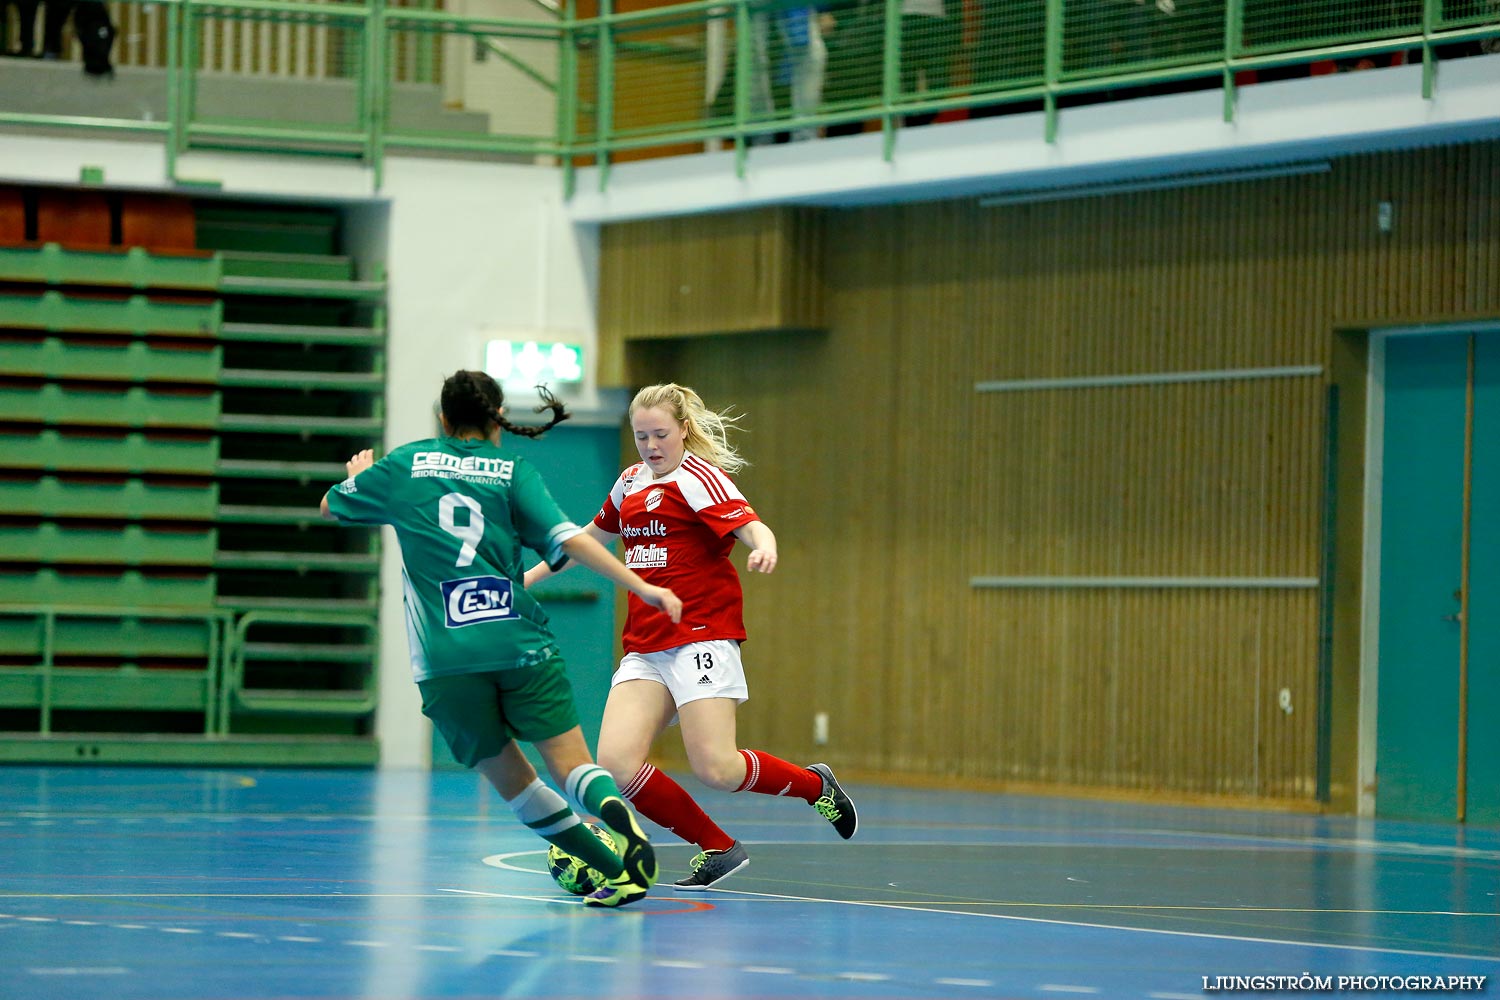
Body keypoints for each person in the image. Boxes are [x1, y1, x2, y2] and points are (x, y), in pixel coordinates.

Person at [321, 370, 684, 908]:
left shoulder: (405, 465)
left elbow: (332, 505)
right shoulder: (511, 471)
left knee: (515, 783)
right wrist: (640, 585)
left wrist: (365, 477)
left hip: (446, 660)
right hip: (519, 642)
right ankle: (622, 827)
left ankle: (612, 866)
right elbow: (569, 541)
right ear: (497, 422)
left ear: (443, 419)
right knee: (573, 765)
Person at [525, 383, 857, 891]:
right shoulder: (629, 483)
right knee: (615, 762)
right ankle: (717, 847)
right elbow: (585, 543)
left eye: (660, 434)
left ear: (683, 429)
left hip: (701, 636)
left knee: (718, 768)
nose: (651, 445)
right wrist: (522, 582)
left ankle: (816, 786)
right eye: (641, 436)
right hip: (645, 645)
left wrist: (764, 548)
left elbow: (752, 526)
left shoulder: (700, 478)